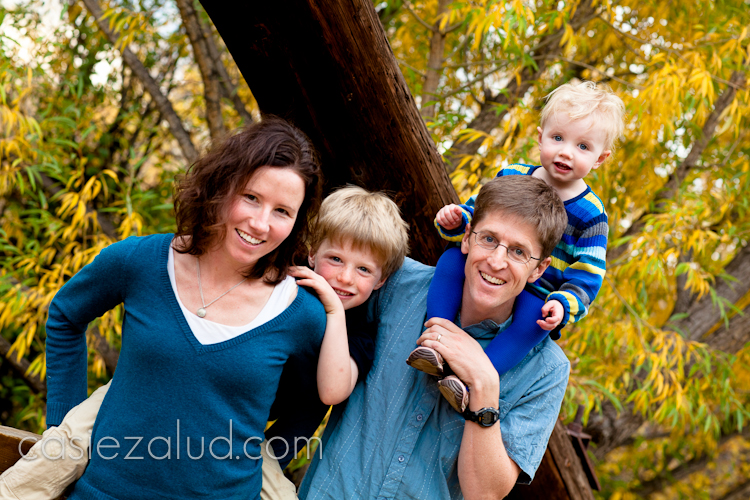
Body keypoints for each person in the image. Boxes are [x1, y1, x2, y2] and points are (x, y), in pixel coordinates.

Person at [0, 185, 410, 500]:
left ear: (381, 281)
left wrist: (274, 452)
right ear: (310, 254)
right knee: (65, 443)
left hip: (243, 439)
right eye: (335, 260)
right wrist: (60, 413)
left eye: (363, 269)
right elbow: (69, 314)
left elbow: (317, 401)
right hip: (146, 394)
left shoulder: (348, 330)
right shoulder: (283, 286)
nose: (343, 278)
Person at [8, 117, 328, 500]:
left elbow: (315, 396)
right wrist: (63, 424)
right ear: (223, 186)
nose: (260, 223)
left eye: (282, 211)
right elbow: (65, 314)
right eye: (252, 197)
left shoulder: (299, 310)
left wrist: (266, 456)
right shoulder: (140, 261)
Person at [298, 174, 570, 500]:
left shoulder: (546, 370)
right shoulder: (396, 284)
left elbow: (485, 494)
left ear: (539, 269)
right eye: (488, 239)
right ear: (466, 238)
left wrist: (484, 385)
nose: (497, 261)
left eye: (518, 252)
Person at [409, 79, 624, 412]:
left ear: (600, 158)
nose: (566, 151)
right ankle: (436, 343)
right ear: (540, 137)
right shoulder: (512, 175)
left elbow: (589, 272)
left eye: (583, 147)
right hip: (491, 270)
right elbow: (477, 220)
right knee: (452, 261)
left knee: (533, 323)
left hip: (541, 290)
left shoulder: (591, 214)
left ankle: (471, 380)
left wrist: (565, 304)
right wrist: (456, 221)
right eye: (558, 138)